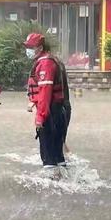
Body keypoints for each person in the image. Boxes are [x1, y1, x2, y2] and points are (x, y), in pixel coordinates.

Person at [24, 33, 69, 176]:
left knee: (48, 153)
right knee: (57, 153)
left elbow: (45, 92)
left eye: (31, 47)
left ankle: (52, 184)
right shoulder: (53, 60)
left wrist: (40, 117)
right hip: (57, 110)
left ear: (40, 47)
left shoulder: (45, 63)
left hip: (50, 111)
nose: (28, 50)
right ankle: (62, 179)